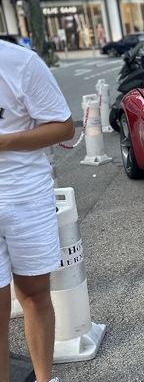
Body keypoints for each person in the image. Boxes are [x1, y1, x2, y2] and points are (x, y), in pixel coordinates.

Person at [0, 40, 75, 382]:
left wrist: (4, 141)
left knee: (33, 294)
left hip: (24, 196)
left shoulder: (21, 63)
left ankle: (45, 379)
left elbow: (63, 126)